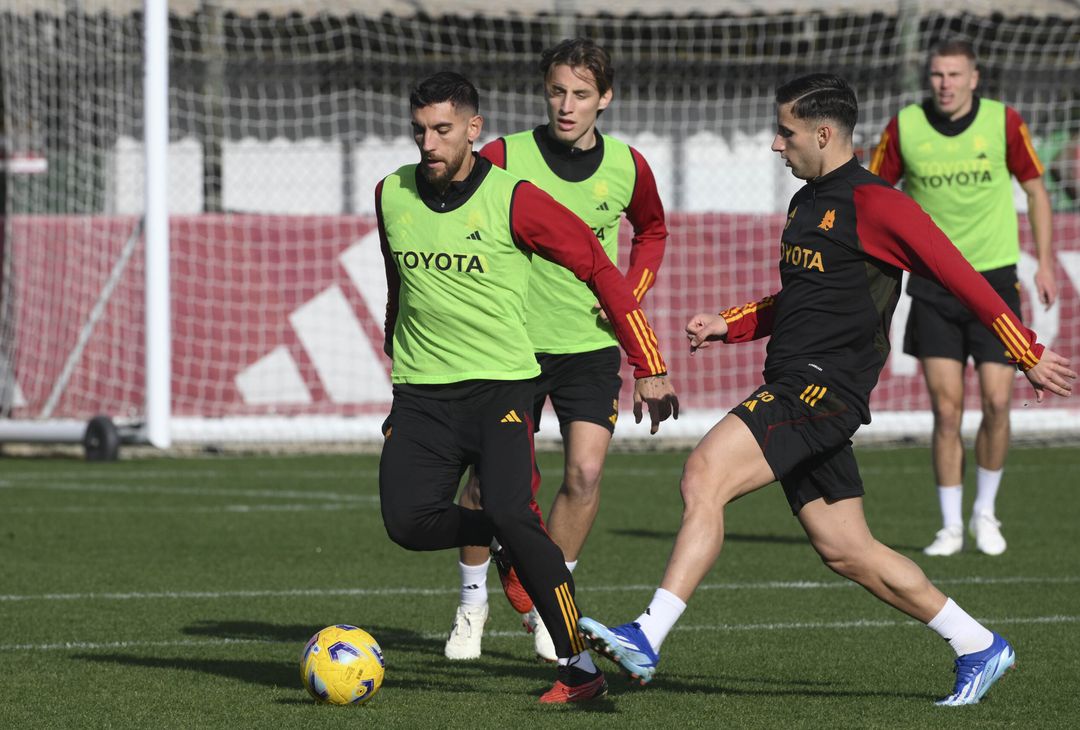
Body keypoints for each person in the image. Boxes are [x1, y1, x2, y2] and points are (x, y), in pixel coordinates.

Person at [577, 73, 1075, 706]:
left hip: (822, 389)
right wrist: (729, 325)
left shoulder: (879, 203)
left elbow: (961, 277)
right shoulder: (805, 203)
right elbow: (803, 300)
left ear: (823, 132)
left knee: (703, 474)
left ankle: (647, 635)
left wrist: (1025, 349)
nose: (775, 145)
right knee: (848, 550)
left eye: (785, 132)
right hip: (796, 381)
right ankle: (978, 644)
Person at [376, 71, 679, 704]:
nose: (428, 144)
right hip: (423, 392)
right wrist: (397, 374)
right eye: (419, 130)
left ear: (472, 130)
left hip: (501, 389)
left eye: (442, 130)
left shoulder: (515, 198)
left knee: (520, 508)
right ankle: (511, 543)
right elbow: (397, 289)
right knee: (406, 521)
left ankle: (578, 669)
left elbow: (598, 265)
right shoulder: (391, 193)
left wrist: (647, 360)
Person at [444, 38, 669, 664]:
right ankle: (471, 605)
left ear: (606, 98)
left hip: (591, 348)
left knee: (586, 474)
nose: (566, 106)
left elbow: (652, 231)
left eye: (580, 94)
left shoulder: (628, 165)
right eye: (556, 92)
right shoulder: (503, 154)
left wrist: (630, 290)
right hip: (508, 346)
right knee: (487, 488)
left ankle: (552, 599)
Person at [868, 38, 1058, 557]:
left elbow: (1036, 189)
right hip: (933, 286)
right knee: (946, 411)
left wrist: (1043, 260)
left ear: (974, 78)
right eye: (936, 75)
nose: (945, 84)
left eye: (955, 74)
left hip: (995, 283)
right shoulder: (903, 127)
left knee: (998, 401)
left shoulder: (1004, 122)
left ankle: (985, 513)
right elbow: (870, 194)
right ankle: (950, 525)